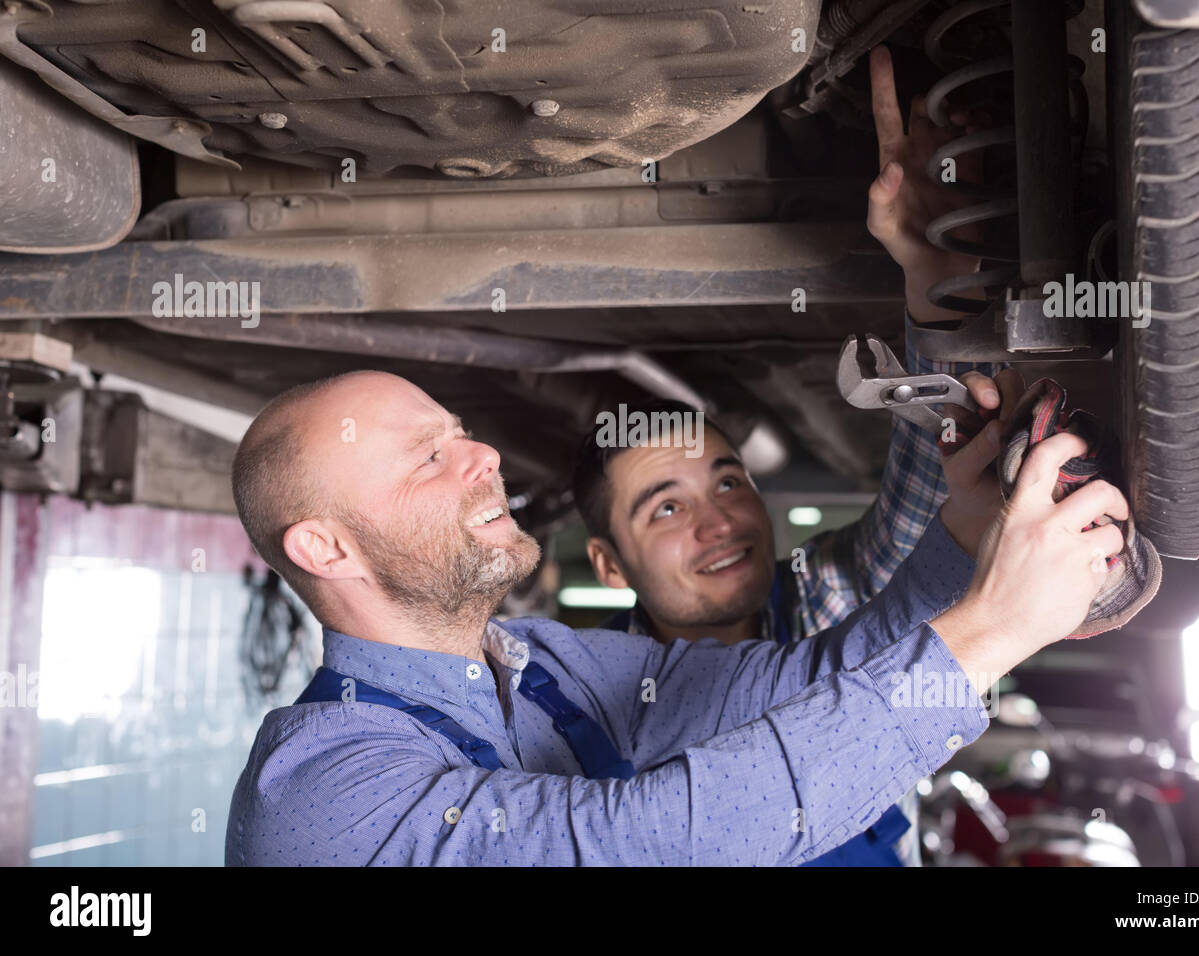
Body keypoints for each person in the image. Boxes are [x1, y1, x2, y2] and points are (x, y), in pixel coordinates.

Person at [224, 360, 1128, 866]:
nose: (486, 456)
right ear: (326, 549)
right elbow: (651, 842)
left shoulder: (538, 662)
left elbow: (802, 681)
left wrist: (963, 538)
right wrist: (996, 629)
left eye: (465, 434)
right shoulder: (315, 793)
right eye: (430, 459)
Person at [570, 46, 1015, 865]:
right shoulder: (573, 705)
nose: (719, 522)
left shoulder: (827, 599)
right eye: (665, 506)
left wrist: (934, 279)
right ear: (606, 563)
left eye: (726, 481)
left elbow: (929, 507)